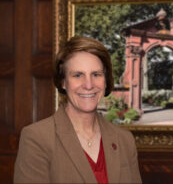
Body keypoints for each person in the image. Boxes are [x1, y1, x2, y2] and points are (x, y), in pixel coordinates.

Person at [14, 36, 142, 183]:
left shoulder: (124, 139)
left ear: (105, 81)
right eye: (77, 75)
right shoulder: (36, 138)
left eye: (96, 74)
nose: (88, 85)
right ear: (63, 82)